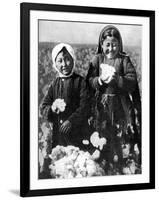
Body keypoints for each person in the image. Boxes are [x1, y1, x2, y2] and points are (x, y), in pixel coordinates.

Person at [86, 25, 141, 166]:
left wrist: (119, 80)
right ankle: (105, 159)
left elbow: (132, 81)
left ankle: (122, 161)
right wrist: (98, 80)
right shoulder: (97, 59)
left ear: (120, 44)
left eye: (115, 45)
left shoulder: (124, 60)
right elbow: (88, 81)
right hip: (101, 103)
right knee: (102, 131)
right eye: (108, 45)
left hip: (120, 104)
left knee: (120, 132)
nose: (111, 49)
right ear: (102, 44)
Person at [40, 43, 89, 149]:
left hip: (77, 134)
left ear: (73, 60)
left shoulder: (80, 82)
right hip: (59, 136)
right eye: (60, 61)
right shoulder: (54, 84)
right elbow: (43, 107)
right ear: (55, 64)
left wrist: (71, 121)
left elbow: (85, 106)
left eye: (67, 59)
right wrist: (52, 108)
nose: (64, 64)